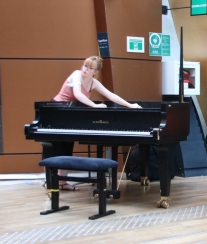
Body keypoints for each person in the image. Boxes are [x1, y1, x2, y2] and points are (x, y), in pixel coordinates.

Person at [51, 56, 141, 190]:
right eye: (84, 65)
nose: (85, 69)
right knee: (59, 146)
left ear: (96, 71)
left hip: (69, 113)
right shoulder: (77, 74)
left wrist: (130, 105)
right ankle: (53, 180)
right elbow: (78, 95)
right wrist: (94, 105)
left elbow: (111, 95)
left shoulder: (93, 83)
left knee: (68, 145)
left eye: (89, 67)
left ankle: (61, 182)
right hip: (57, 110)